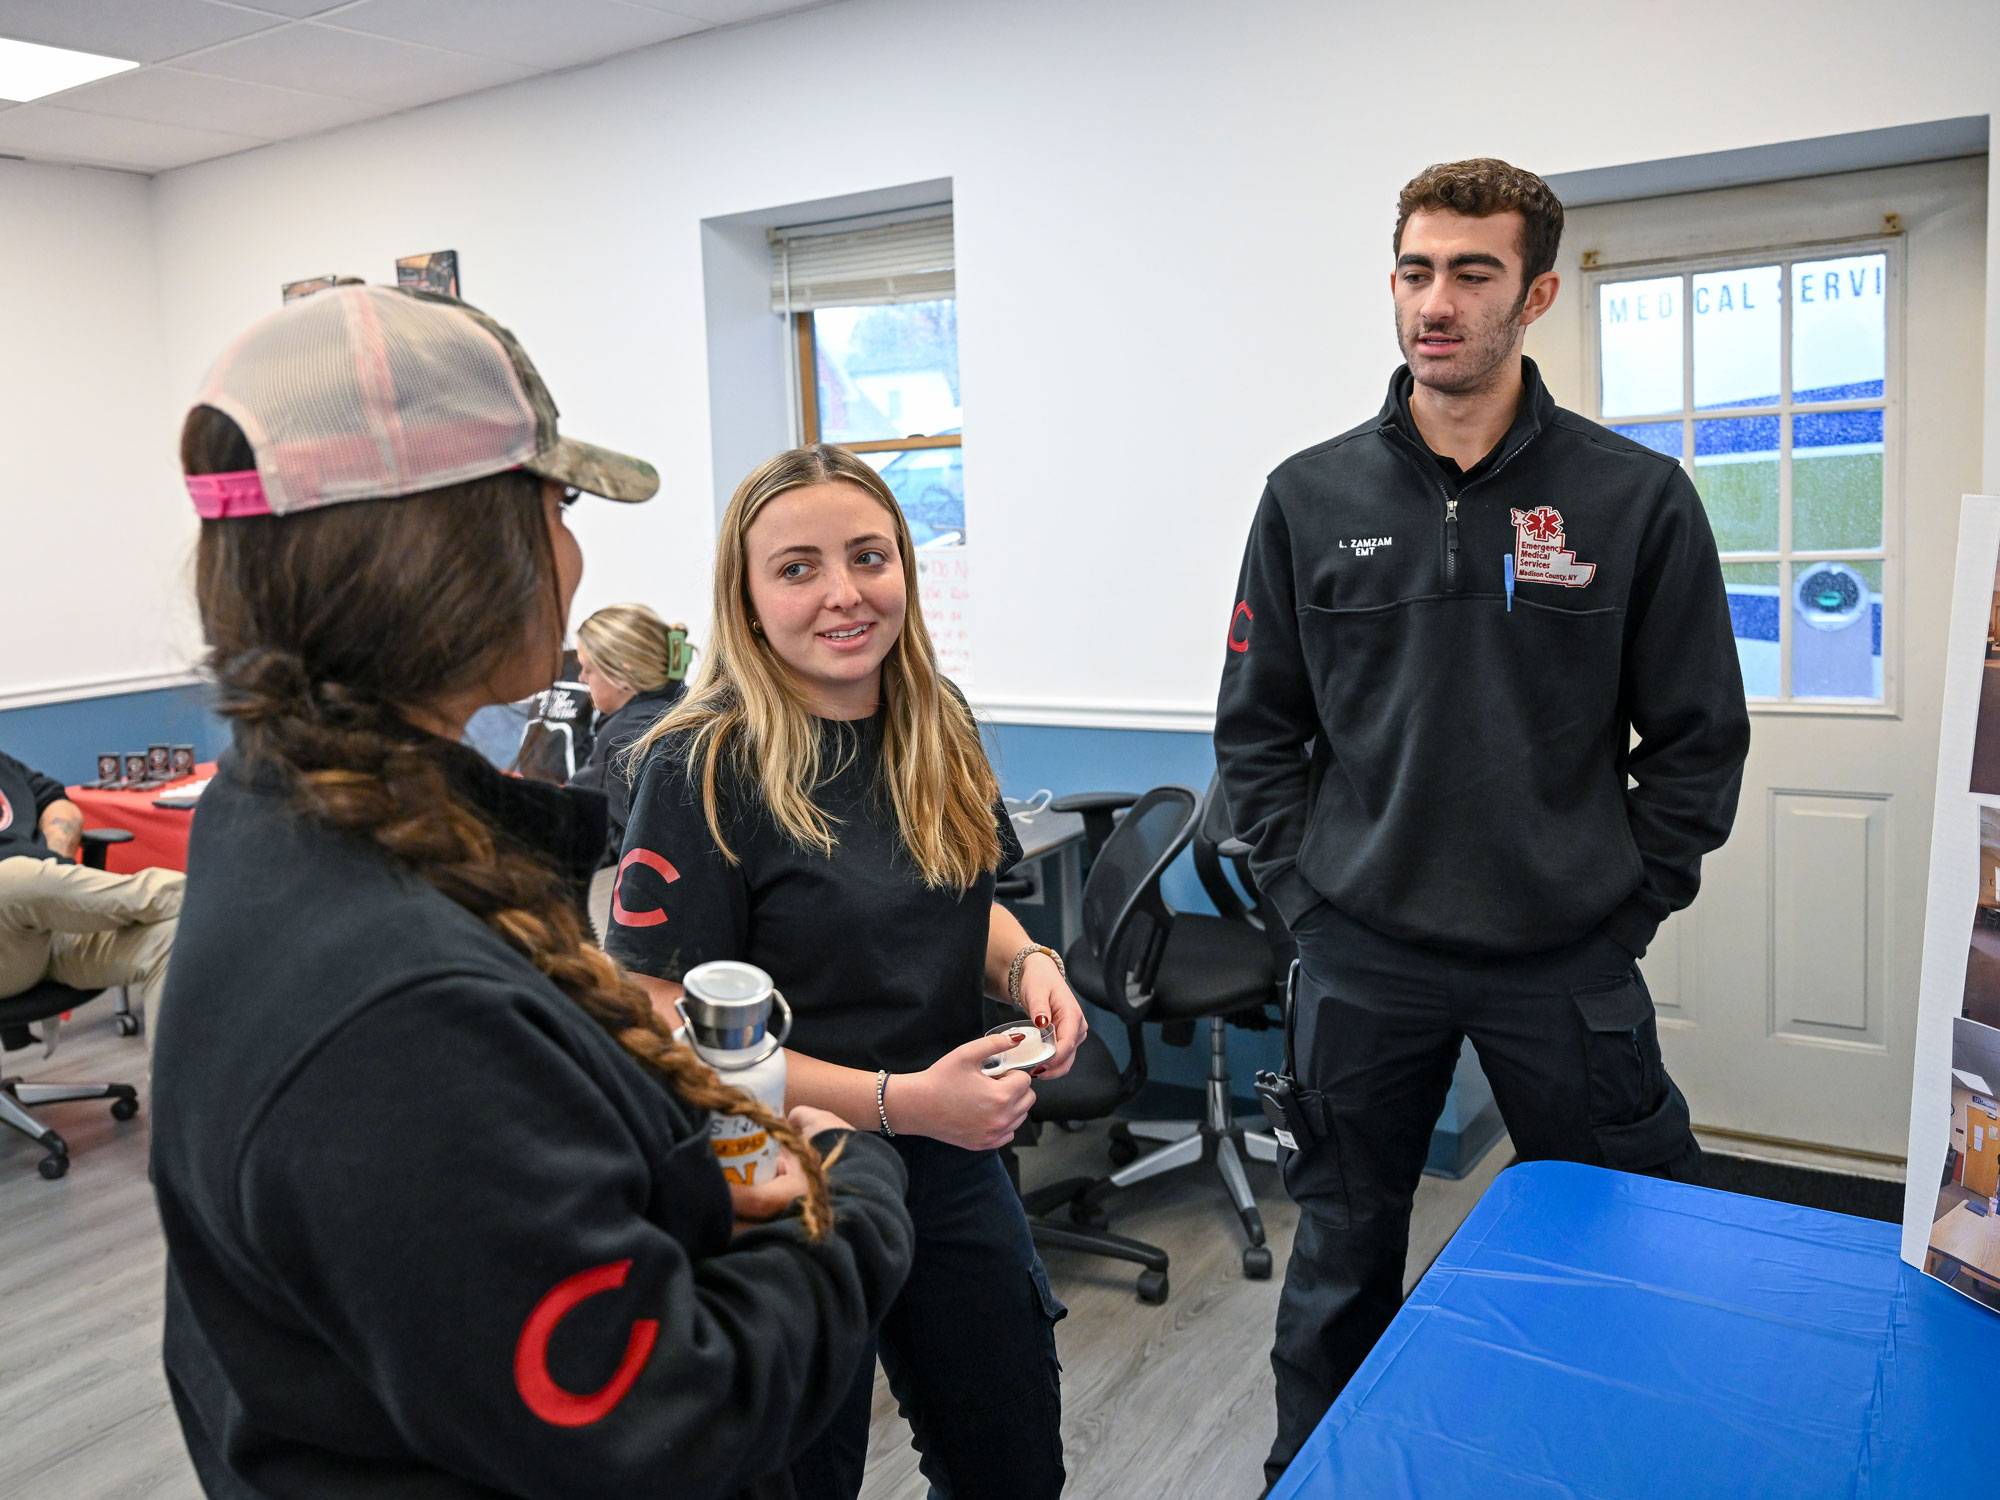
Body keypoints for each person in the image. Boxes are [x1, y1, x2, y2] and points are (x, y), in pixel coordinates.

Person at [150, 284, 915, 1500]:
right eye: (557, 508)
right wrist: (852, 1188)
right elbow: (666, 1419)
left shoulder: (276, 820)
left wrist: (682, 1191)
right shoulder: (400, 1012)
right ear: (459, 551)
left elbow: (478, 1229)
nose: (572, 552)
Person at [1214, 158, 1752, 1486]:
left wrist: (1625, 905)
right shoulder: (1308, 496)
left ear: (1536, 294)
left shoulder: (1634, 497)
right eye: (1414, 271)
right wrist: (1305, 905)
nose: (1434, 302)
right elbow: (1256, 732)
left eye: (1471, 272)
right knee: (1338, 1264)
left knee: (1619, 1245)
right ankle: (1310, 1479)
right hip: (1361, 955)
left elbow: (1698, 740)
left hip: (1562, 956)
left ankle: (1608, 1469)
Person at [606, 444, 1082, 1500]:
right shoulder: (701, 763)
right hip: (784, 1173)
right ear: (746, 597)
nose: (844, 593)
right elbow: (656, 1015)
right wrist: (898, 1102)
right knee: (804, 1478)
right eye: (797, 568)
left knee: (1011, 1460)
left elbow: (962, 894)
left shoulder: (935, 717)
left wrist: (1028, 967)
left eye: (869, 557)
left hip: (952, 1157)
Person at [0, 748, 181, 1054]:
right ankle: (207, 897)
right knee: (14, 877)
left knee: (173, 935)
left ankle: (174, 1088)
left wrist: (54, 859)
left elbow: (55, 800)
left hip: (46, 930)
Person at [569, 602, 690, 851]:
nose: (581, 678)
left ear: (622, 675)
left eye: (588, 669)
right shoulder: (686, 707)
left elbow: (640, 841)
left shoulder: (622, 738)